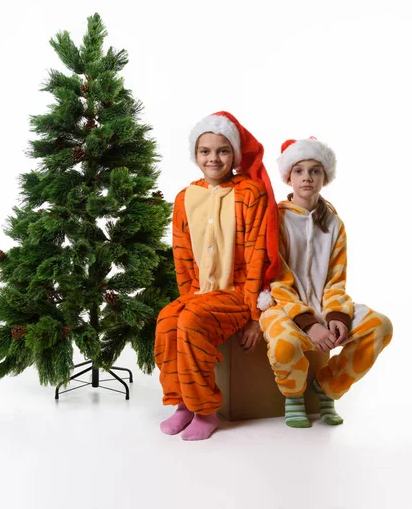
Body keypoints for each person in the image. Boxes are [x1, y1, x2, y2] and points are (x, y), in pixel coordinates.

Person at [154, 111, 280, 440]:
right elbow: (182, 255)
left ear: (234, 155)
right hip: (200, 292)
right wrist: (186, 296)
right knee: (168, 319)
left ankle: (205, 410)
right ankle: (182, 402)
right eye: (205, 151)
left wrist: (255, 315)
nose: (213, 158)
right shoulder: (185, 198)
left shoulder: (251, 193)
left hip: (237, 293)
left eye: (222, 150)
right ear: (195, 155)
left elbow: (256, 255)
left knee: (192, 320)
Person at [259, 137, 393, 428]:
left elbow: (336, 280)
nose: (307, 177)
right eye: (299, 171)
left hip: (323, 305)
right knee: (284, 346)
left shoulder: (333, 223)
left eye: (315, 170)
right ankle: (294, 397)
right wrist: (310, 323)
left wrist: (336, 317)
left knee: (380, 326)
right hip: (283, 307)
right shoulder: (276, 219)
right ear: (288, 177)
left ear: (325, 177)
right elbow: (277, 280)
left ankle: (327, 387)